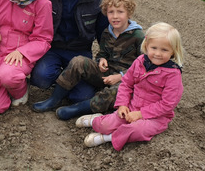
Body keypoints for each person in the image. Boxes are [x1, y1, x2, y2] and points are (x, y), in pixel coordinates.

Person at [33, 0, 144, 117]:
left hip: (126, 80)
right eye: (111, 12)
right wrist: (101, 60)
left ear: (129, 13)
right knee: (78, 61)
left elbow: (143, 66)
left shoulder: (138, 36)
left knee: (117, 92)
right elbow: (102, 53)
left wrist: (121, 76)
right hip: (106, 74)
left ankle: (78, 109)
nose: (115, 16)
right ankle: (54, 99)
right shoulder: (107, 32)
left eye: (120, 12)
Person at [78, 22, 184, 151]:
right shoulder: (140, 61)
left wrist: (141, 114)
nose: (157, 53)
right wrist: (123, 104)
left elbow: (167, 104)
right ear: (146, 45)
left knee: (137, 130)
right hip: (132, 107)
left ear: (173, 51)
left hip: (156, 117)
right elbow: (126, 84)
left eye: (164, 50)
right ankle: (96, 120)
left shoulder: (173, 74)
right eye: (154, 48)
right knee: (107, 124)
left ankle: (108, 138)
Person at [30, 0, 109, 104]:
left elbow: (104, 34)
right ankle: (66, 79)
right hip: (52, 49)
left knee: (81, 97)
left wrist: (106, 59)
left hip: (80, 53)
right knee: (41, 79)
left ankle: (66, 81)